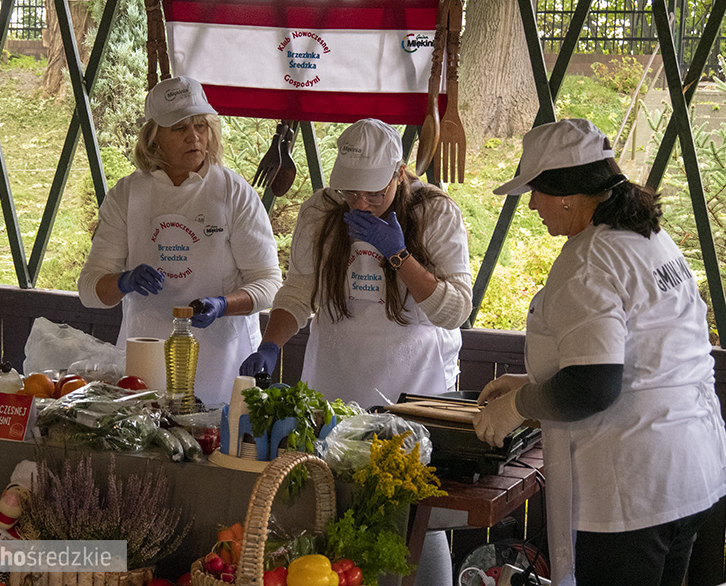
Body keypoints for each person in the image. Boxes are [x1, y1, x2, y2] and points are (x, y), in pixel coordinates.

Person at [473, 118, 726, 586]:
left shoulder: (587, 259)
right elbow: (645, 360)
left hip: (633, 487)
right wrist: (534, 385)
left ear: (566, 192)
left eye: (536, 191)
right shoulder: (649, 240)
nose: (531, 205)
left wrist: (516, 407)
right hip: (694, 470)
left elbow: (594, 385)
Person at [240, 117, 473, 586]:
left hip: (414, 397)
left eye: (373, 194)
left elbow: (455, 310)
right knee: (331, 516)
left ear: (398, 174)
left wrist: (399, 255)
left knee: (414, 522)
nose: (361, 204)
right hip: (336, 392)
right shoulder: (321, 212)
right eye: (351, 193)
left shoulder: (435, 214)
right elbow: (298, 291)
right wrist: (270, 343)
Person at [78, 76, 282, 404]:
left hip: (223, 356)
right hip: (146, 359)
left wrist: (222, 305)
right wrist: (124, 281)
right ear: (153, 136)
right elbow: (90, 289)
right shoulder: (127, 195)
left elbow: (269, 283)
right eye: (179, 128)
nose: (194, 137)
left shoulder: (233, 192)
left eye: (201, 126)